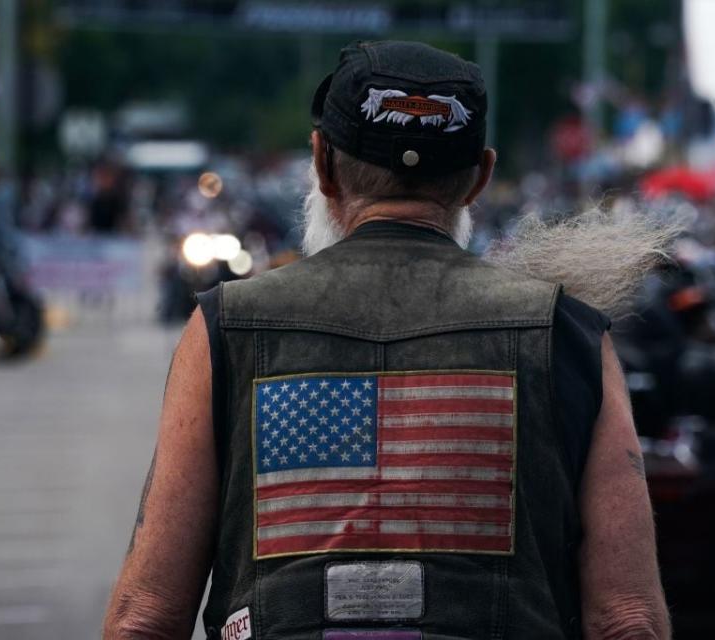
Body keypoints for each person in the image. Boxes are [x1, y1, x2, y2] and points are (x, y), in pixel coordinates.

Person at [103, 41, 669, 640]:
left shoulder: (227, 326)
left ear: (322, 165)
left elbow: (147, 617)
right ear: (479, 178)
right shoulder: (567, 333)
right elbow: (627, 620)